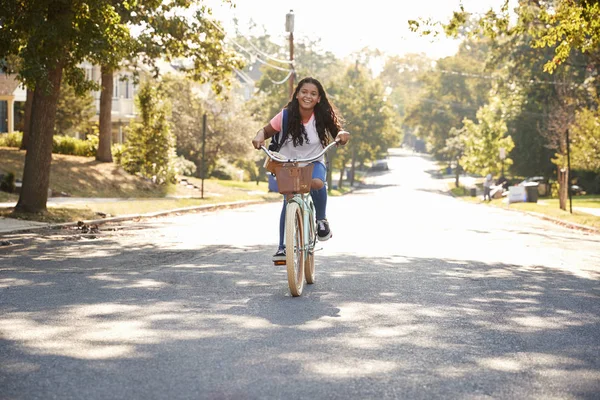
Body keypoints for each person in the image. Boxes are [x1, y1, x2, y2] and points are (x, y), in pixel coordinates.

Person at [252, 77, 350, 262]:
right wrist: (259, 137)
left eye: (313, 94)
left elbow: (337, 131)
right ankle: (282, 247)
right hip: (288, 163)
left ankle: (321, 219)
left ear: (319, 98)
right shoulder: (286, 115)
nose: (308, 96)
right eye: (304, 92)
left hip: (314, 162)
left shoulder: (322, 116)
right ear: (297, 94)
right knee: (288, 200)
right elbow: (265, 131)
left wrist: (342, 135)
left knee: (318, 183)